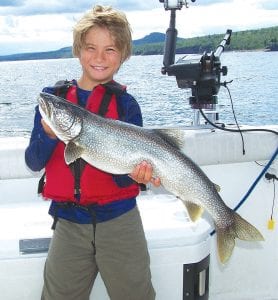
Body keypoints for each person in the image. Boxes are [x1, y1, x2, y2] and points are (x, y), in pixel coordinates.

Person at [25, 5, 160, 300]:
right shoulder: (55, 100)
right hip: (69, 224)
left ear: (122, 55)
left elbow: (127, 179)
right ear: (78, 50)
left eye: (110, 49)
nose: (99, 58)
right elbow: (33, 161)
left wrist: (139, 175)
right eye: (91, 48)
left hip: (120, 221)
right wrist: (48, 136)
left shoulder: (127, 105)